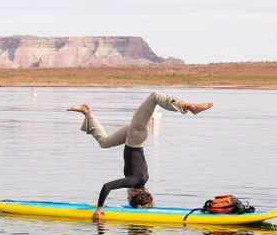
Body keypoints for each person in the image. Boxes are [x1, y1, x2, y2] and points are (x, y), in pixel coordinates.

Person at [68, 93, 213, 221]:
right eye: (128, 197)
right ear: (133, 194)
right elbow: (107, 187)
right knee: (154, 97)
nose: (127, 195)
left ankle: (87, 112)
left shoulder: (143, 179)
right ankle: (190, 107)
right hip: (136, 135)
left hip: (134, 136)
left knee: (105, 143)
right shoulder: (134, 181)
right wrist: (99, 209)